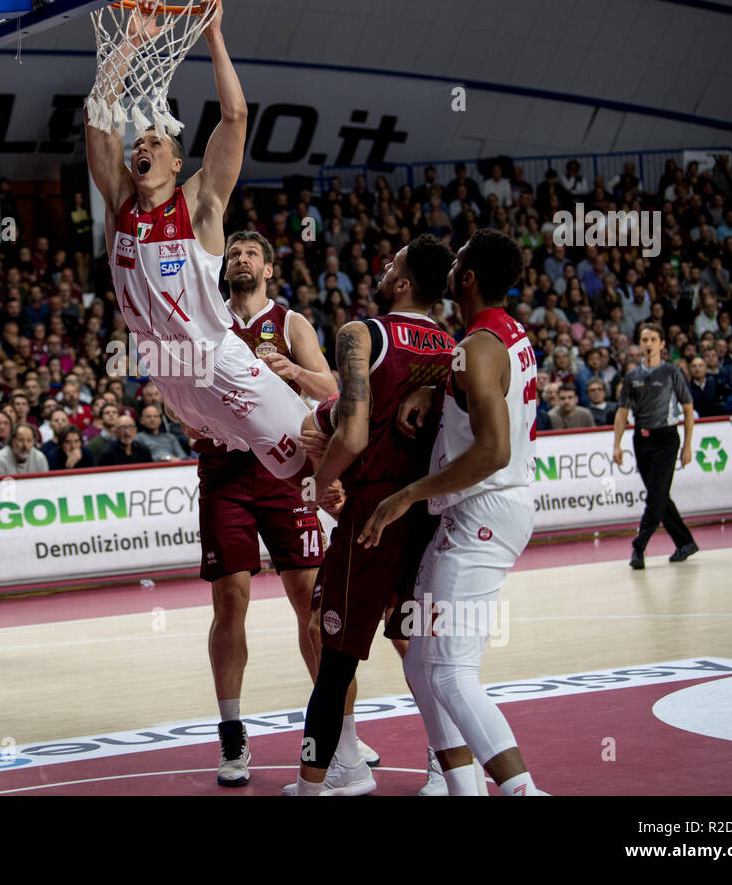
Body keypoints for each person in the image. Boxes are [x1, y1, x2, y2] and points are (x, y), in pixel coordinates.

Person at [84, 0, 314, 485]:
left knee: (316, 468)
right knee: (250, 479)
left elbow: (235, 118)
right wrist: (129, 42)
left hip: (219, 359)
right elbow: (99, 120)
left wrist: (213, 36)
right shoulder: (118, 203)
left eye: (156, 143)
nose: (142, 146)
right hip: (166, 370)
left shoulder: (200, 204)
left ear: (175, 164)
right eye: (138, 143)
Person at [359, 228, 548, 796]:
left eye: (458, 256)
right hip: (480, 513)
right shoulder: (498, 335)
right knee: (421, 663)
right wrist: (437, 388)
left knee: (451, 672)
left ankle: (523, 792)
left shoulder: (480, 348)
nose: (452, 258)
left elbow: (493, 450)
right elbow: (475, 388)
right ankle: (460, 789)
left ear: (465, 277)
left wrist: (407, 494)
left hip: (482, 514)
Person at [286, 234, 457, 796]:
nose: (384, 268)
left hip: (374, 516)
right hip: (435, 512)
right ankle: (445, 767)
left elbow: (355, 433)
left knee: (331, 654)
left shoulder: (361, 333)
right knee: (421, 647)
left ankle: (326, 780)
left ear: (403, 283)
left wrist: (320, 483)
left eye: (392, 264)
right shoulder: (453, 348)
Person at [188, 229, 349, 788]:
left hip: (287, 469)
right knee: (230, 599)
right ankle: (232, 732)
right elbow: (180, 402)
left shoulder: (291, 323)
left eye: (250, 253)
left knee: (310, 598)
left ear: (268, 269)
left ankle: (338, 730)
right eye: (232, 252)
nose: (239, 258)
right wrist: (193, 420)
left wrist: (293, 372)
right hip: (225, 472)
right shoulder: (204, 322)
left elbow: (331, 387)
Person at [612, 322, 699, 569]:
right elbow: (621, 412)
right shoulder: (632, 376)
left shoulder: (672, 372)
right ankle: (685, 542)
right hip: (641, 438)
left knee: (655, 496)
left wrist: (688, 445)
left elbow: (688, 409)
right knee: (658, 496)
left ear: (662, 344)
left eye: (652, 340)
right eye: (644, 340)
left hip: (666, 438)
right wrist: (616, 445)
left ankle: (638, 547)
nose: (647, 344)